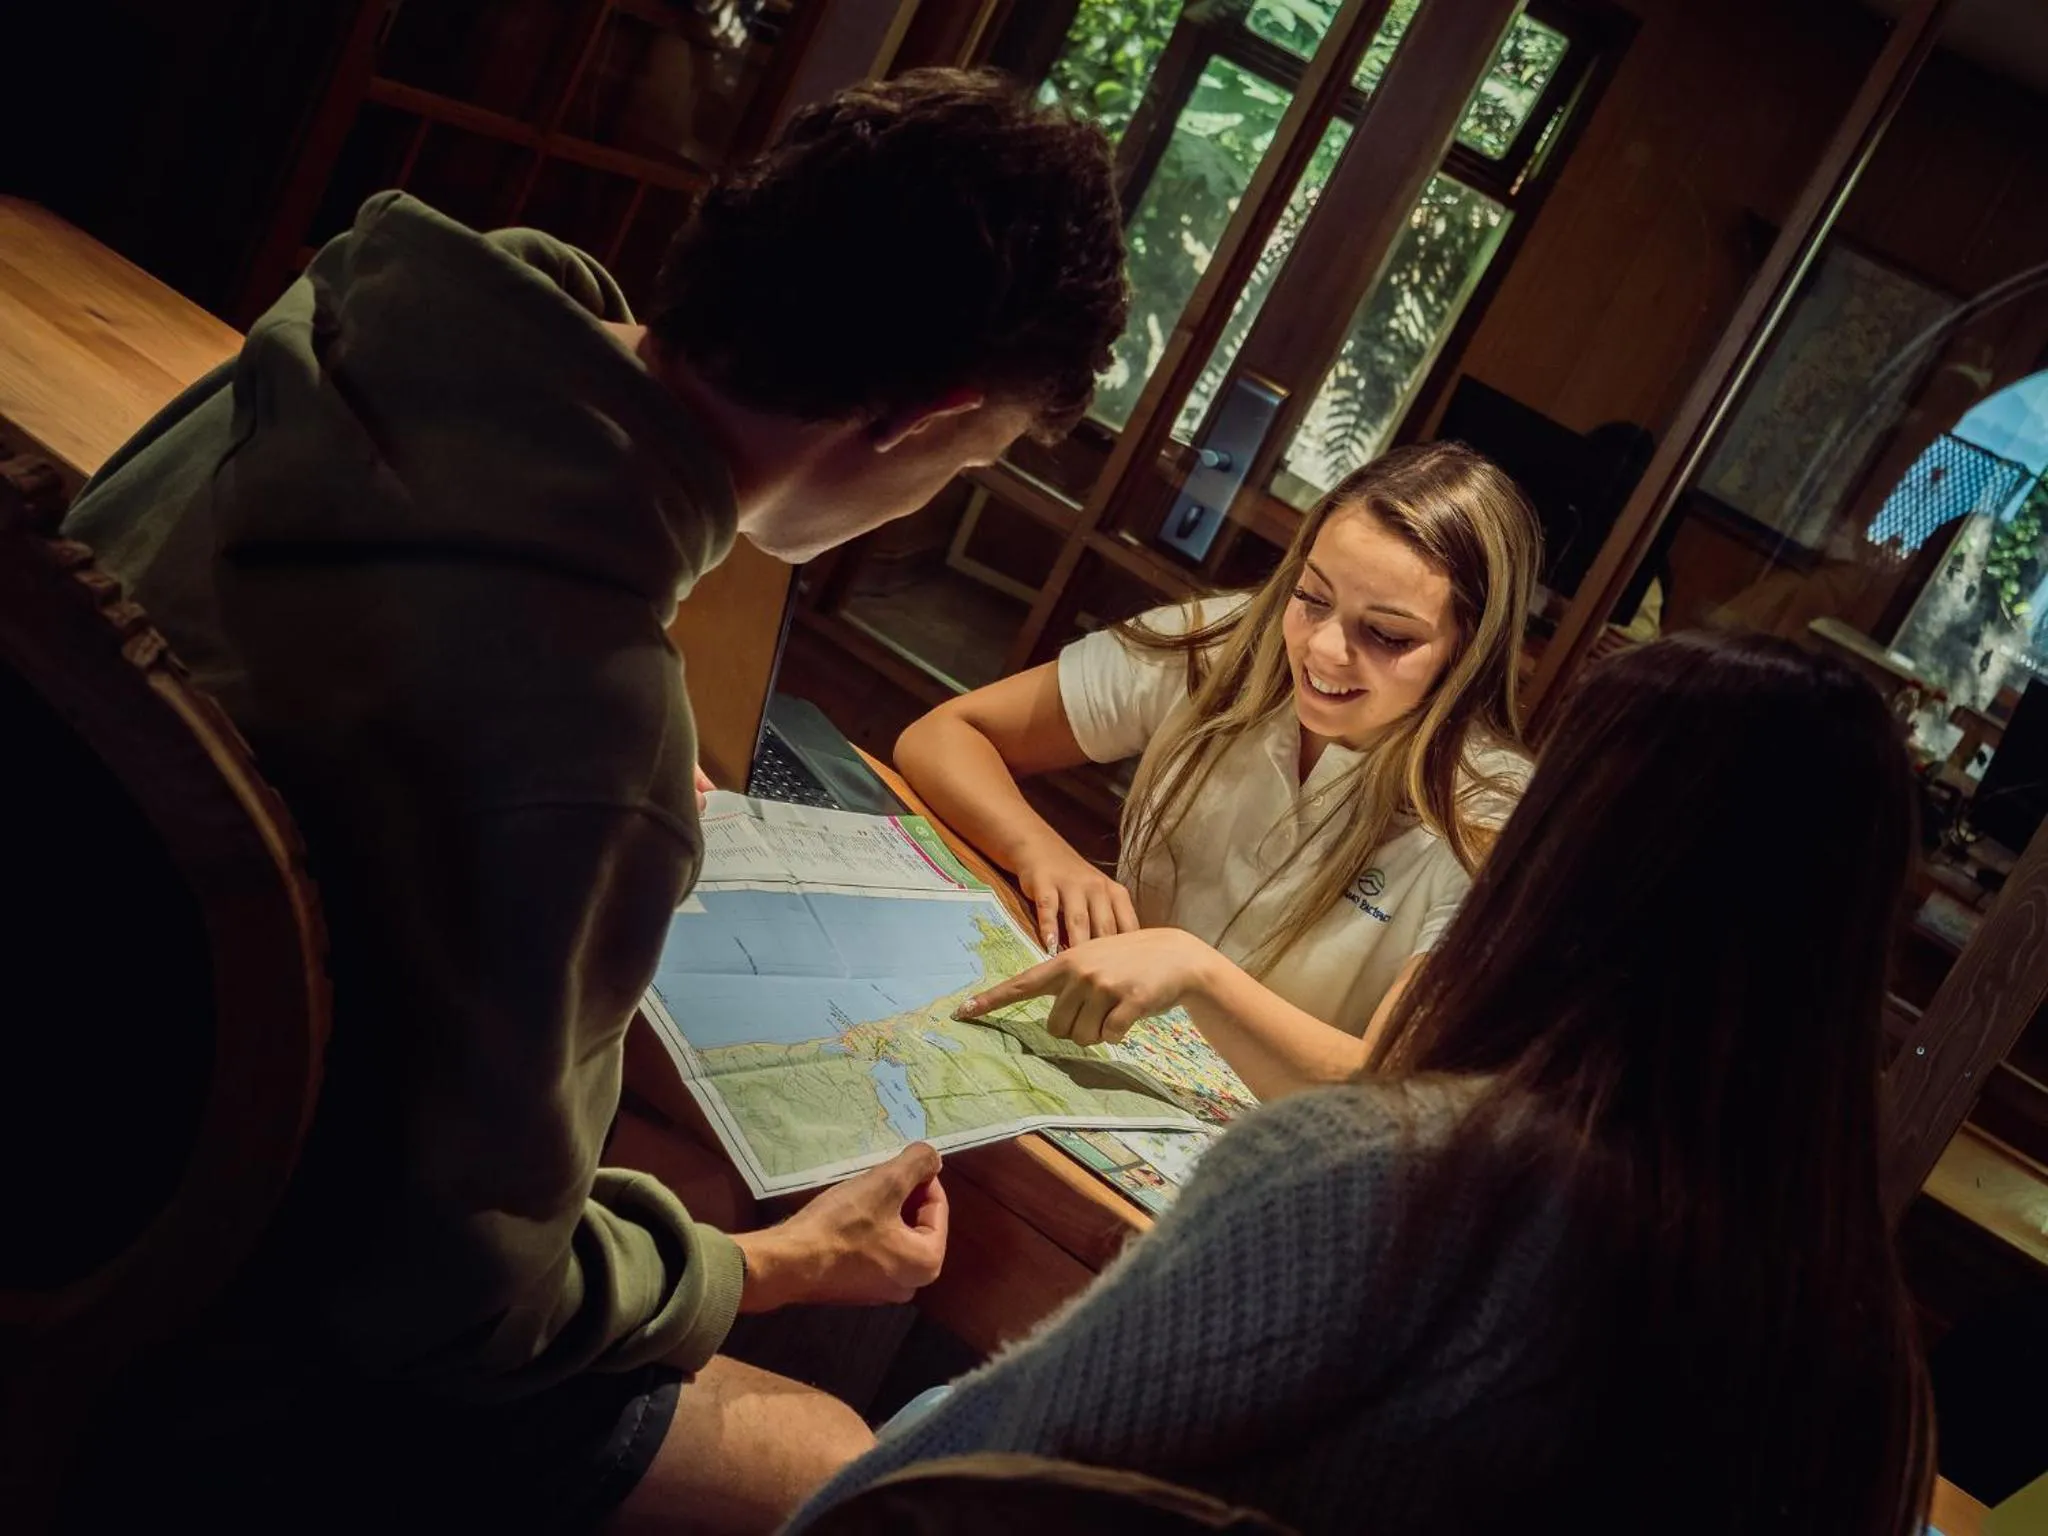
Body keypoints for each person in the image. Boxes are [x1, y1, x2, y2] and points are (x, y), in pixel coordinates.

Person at [57, 69, 1127, 1533]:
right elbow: (455, 1316)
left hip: (63, 1050)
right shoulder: (592, 731)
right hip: (166, 1304)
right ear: (920, 416)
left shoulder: (351, 335)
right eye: (974, 460)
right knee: (827, 1451)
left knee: (679, 1171)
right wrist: (794, 1266)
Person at [794, 631, 1936, 1536]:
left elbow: (965, 1468)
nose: (1328, 651)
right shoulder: (1865, 1354)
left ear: (1562, 851)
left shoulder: (1388, 1182)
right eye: (1311, 600)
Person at [897, 442, 1540, 1097]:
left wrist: (1196, 973)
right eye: (1312, 597)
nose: (1323, 648)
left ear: (1470, 651)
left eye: (1388, 636)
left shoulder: (1493, 816)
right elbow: (943, 735)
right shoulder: (1222, 645)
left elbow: (1391, 1086)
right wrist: (1042, 852)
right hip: (1098, 1058)